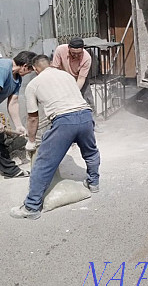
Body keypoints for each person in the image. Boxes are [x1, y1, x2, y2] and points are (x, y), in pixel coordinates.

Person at [10, 55, 100, 220]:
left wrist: (31, 141)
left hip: (64, 121)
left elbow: (32, 118)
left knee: (43, 163)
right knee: (91, 152)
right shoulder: (66, 75)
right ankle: (93, 183)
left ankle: (31, 207)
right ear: (51, 64)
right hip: (86, 116)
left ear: (35, 69)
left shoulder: (34, 84)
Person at [0, 51, 36, 178]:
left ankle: (10, 171)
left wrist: (18, 125)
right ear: (25, 65)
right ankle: (10, 170)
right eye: (30, 70)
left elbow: (13, 102)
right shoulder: (3, 68)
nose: (29, 73)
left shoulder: (17, 78)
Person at [51, 37, 94, 107]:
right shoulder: (60, 50)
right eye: (73, 53)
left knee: (87, 100)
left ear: (83, 49)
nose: (76, 55)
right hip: (63, 78)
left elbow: (81, 79)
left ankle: (92, 115)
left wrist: (74, 92)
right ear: (69, 48)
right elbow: (55, 68)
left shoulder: (87, 58)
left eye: (79, 53)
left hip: (79, 78)